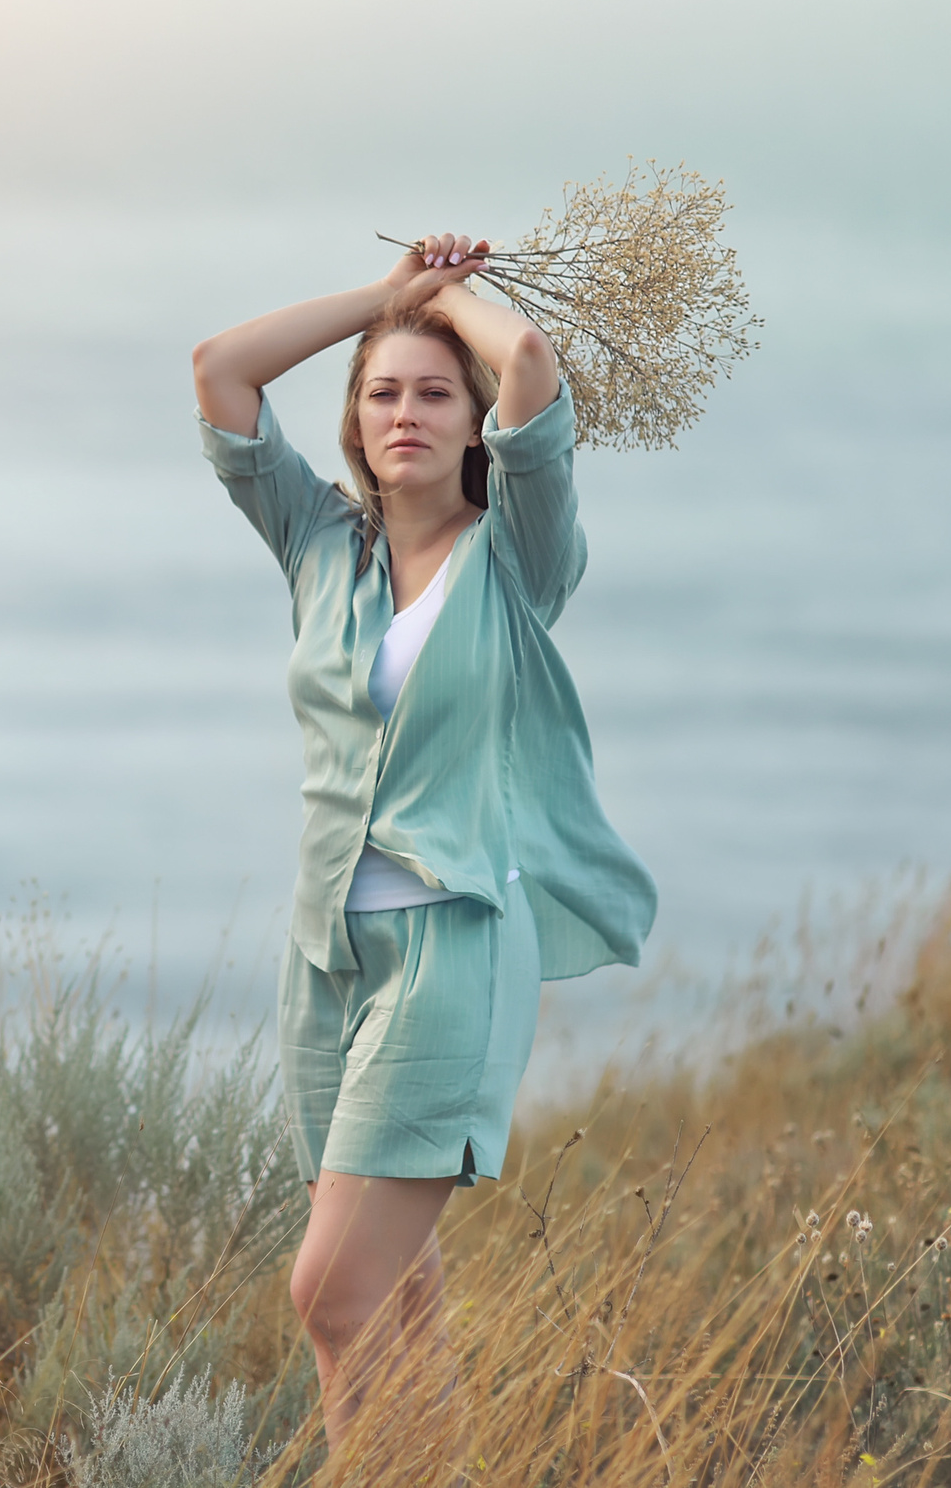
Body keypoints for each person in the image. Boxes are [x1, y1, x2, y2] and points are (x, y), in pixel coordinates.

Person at [191, 233, 655, 1452]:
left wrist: (451, 299)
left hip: (450, 953)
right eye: (382, 390)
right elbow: (221, 370)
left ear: (470, 422)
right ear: (353, 418)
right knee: (395, 1303)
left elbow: (536, 359)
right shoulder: (316, 545)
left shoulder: (517, 560)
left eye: (434, 390)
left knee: (326, 1292)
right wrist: (383, 301)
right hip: (324, 959)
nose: (405, 410)